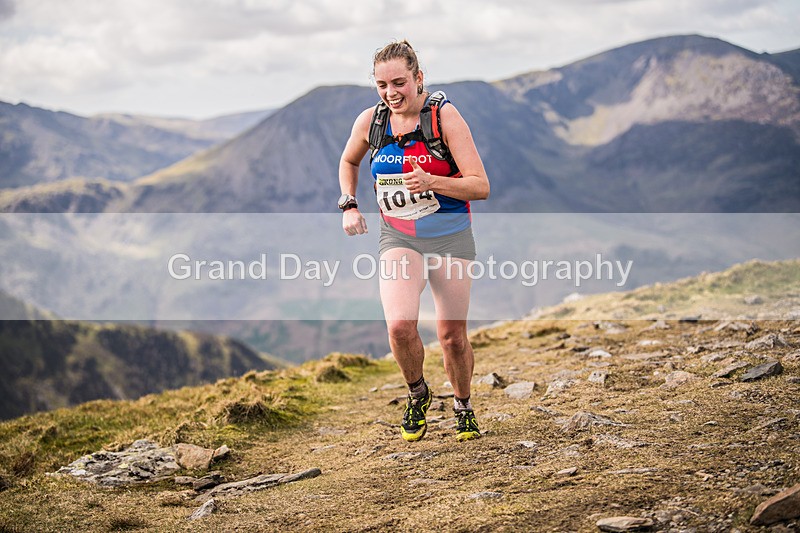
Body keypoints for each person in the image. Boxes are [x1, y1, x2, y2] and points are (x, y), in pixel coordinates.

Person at [337, 40, 490, 442]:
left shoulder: (444, 118)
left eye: (400, 82)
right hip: (399, 238)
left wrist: (433, 181)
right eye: (382, 85)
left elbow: (480, 186)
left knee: (452, 337)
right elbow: (349, 160)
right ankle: (418, 394)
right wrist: (349, 203)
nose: (391, 93)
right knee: (401, 328)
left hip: (450, 238)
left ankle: (463, 406)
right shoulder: (371, 121)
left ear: (419, 78)